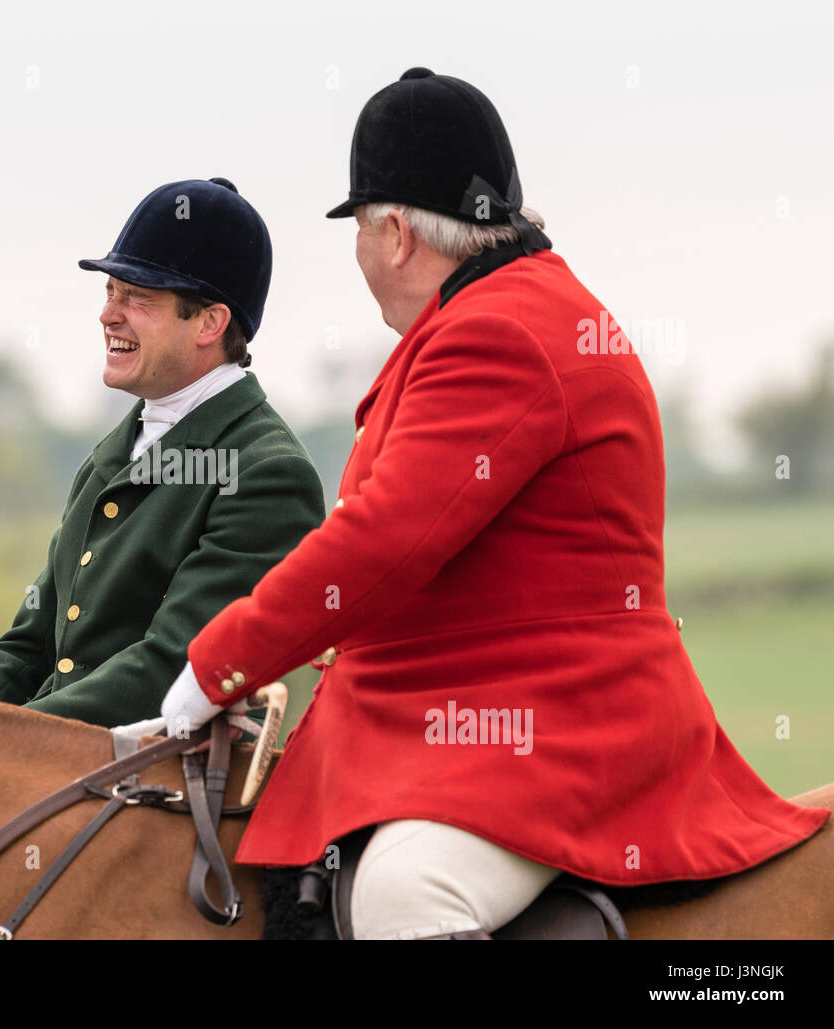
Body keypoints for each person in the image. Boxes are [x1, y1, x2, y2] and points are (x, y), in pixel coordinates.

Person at [162, 69, 830, 939]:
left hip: (553, 728)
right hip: (451, 710)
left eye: (359, 231)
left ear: (396, 233)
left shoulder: (499, 333)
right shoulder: (492, 314)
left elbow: (382, 542)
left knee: (406, 898)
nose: (361, 256)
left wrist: (218, 665)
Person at [0, 178, 325, 727]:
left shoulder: (267, 473)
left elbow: (171, 667)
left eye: (138, 297)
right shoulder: (115, 453)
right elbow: (29, 645)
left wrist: (6, 741)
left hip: (157, 787)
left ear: (210, 323)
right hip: (56, 767)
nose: (109, 315)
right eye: (110, 292)